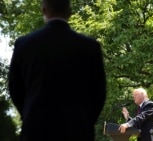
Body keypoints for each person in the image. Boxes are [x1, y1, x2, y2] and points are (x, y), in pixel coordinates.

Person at [7, 0, 106, 141]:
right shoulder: (90, 47)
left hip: (36, 128)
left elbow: (15, 87)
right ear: (69, 12)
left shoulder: (24, 44)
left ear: (44, 10)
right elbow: (99, 92)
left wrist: (28, 113)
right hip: (77, 129)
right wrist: (86, 119)